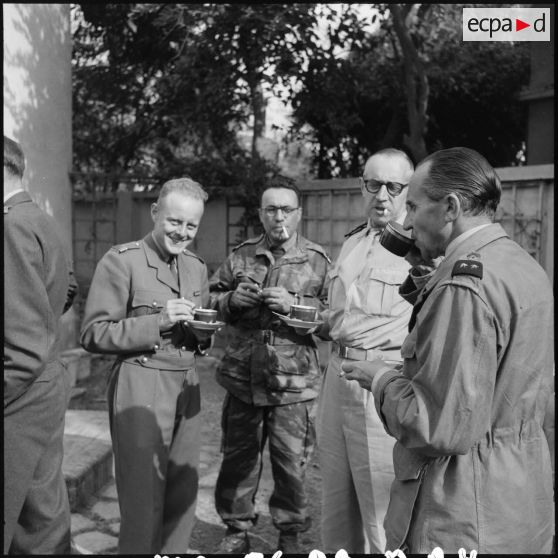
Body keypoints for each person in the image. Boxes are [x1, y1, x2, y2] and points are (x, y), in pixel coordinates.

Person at [342, 147, 554, 554]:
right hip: (519, 499)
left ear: (451, 207)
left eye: (416, 205)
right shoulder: (520, 264)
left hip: (462, 510)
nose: (405, 220)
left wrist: (381, 379)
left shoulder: (463, 286)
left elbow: (437, 426)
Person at [80, 178, 213, 554]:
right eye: (174, 221)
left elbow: (200, 335)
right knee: (142, 500)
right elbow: (93, 333)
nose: (182, 232)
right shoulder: (122, 261)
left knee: (181, 494)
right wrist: (158, 322)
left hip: (187, 385)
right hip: (141, 382)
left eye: (191, 225)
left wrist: (205, 332)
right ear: (155, 213)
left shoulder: (196, 267)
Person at [209, 178, 331, 554]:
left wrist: (294, 305)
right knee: (238, 461)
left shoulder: (318, 260)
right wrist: (231, 299)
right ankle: (236, 529)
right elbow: (210, 300)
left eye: (287, 209)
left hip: (292, 386)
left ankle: (290, 534)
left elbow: (332, 320)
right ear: (262, 214)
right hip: (243, 380)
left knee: (291, 465)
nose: (279, 217)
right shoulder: (241, 256)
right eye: (271, 209)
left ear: (298, 213)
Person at [312, 148, 416, 553]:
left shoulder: (420, 249)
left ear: (408, 190)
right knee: (336, 505)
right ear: (361, 186)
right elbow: (343, 317)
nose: (383, 195)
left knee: (379, 510)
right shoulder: (353, 240)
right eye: (374, 184)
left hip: (380, 383)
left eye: (394, 186)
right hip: (336, 380)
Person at [4, 136, 77, 554]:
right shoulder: (38, 217)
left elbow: (22, 350)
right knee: (40, 515)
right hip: (45, 382)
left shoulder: (11, 224)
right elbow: (66, 288)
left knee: (24, 521)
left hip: (20, 394)